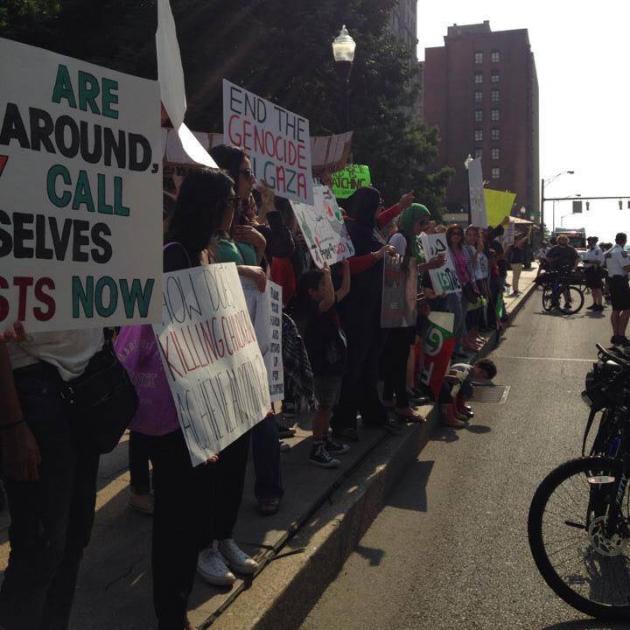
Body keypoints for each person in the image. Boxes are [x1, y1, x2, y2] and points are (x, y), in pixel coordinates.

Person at [0, 324, 104, 630]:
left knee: (74, 537)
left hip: (87, 381)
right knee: (39, 549)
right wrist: (12, 423)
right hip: (32, 387)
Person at [384, 204, 444, 419]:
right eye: (421, 222)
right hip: (397, 307)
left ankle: (390, 398)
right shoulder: (399, 239)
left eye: (426, 223)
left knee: (398, 354)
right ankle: (401, 403)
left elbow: (409, 271)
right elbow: (394, 270)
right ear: (411, 220)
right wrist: (428, 266)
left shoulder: (412, 240)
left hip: (408, 303)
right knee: (398, 355)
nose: (424, 227)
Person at [294, 263, 352, 467]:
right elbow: (329, 298)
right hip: (323, 365)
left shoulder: (327, 303)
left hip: (334, 364)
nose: (328, 287)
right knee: (324, 406)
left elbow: (344, 290)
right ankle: (317, 447)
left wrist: (346, 267)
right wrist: (327, 272)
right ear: (312, 292)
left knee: (330, 405)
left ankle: (325, 439)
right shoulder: (313, 308)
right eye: (322, 285)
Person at [439, 358, 498, 428]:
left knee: (468, 389)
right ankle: (451, 415)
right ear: (476, 365)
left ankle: (460, 407)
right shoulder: (465, 370)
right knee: (455, 391)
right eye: (480, 372)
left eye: (483, 376)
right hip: (447, 383)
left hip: (453, 383)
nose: (480, 376)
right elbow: (454, 384)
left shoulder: (471, 373)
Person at [604, 233, 630, 346]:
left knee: (616, 310)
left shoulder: (609, 251)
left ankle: (615, 336)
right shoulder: (621, 252)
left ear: (615, 239)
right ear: (624, 240)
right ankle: (621, 336)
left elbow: (602, 263)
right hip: (621, 282)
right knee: (627, 309)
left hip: (612, 281)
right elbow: (626, 268)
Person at [583, 236, 605, 312]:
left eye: (590, 241)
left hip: (595, 270)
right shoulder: (589, 250)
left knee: (598, 288)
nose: (588, 242)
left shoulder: (598, 250)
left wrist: (588, 262)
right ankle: (594, 304)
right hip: (589, 270)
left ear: (594, 241)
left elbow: (599, 261)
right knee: (593, 289)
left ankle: (600, 305)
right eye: (588, 241)